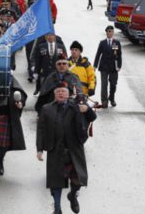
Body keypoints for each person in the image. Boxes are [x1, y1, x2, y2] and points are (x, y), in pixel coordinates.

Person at [36, 82, 97, 214]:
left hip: (74, 149)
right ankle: (57, 209)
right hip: (55, 150)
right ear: (54, 94)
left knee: (78, 180)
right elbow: (41, 130)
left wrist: (87, 109)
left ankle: (72, 195)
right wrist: (39, 149)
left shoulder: (77, 106)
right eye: (58, 91)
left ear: (68, 94)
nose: (60, 93)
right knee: (55, 183)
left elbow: (92, 117)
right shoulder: (46, 109)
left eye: (63, 91)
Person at [93, 25, 122, 108]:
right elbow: (98, 54)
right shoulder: (102, 43)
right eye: (108, 31)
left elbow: (119, 55)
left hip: (113, 67)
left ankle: (112, 98)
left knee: (113, 84)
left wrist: (119, 66)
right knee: (104, 85)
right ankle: (104, 101)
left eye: (111, 31)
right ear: (106, 33)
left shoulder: (116, 43)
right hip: (104, 67)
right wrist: (95, 65)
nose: (109, 33)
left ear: (113, 33)